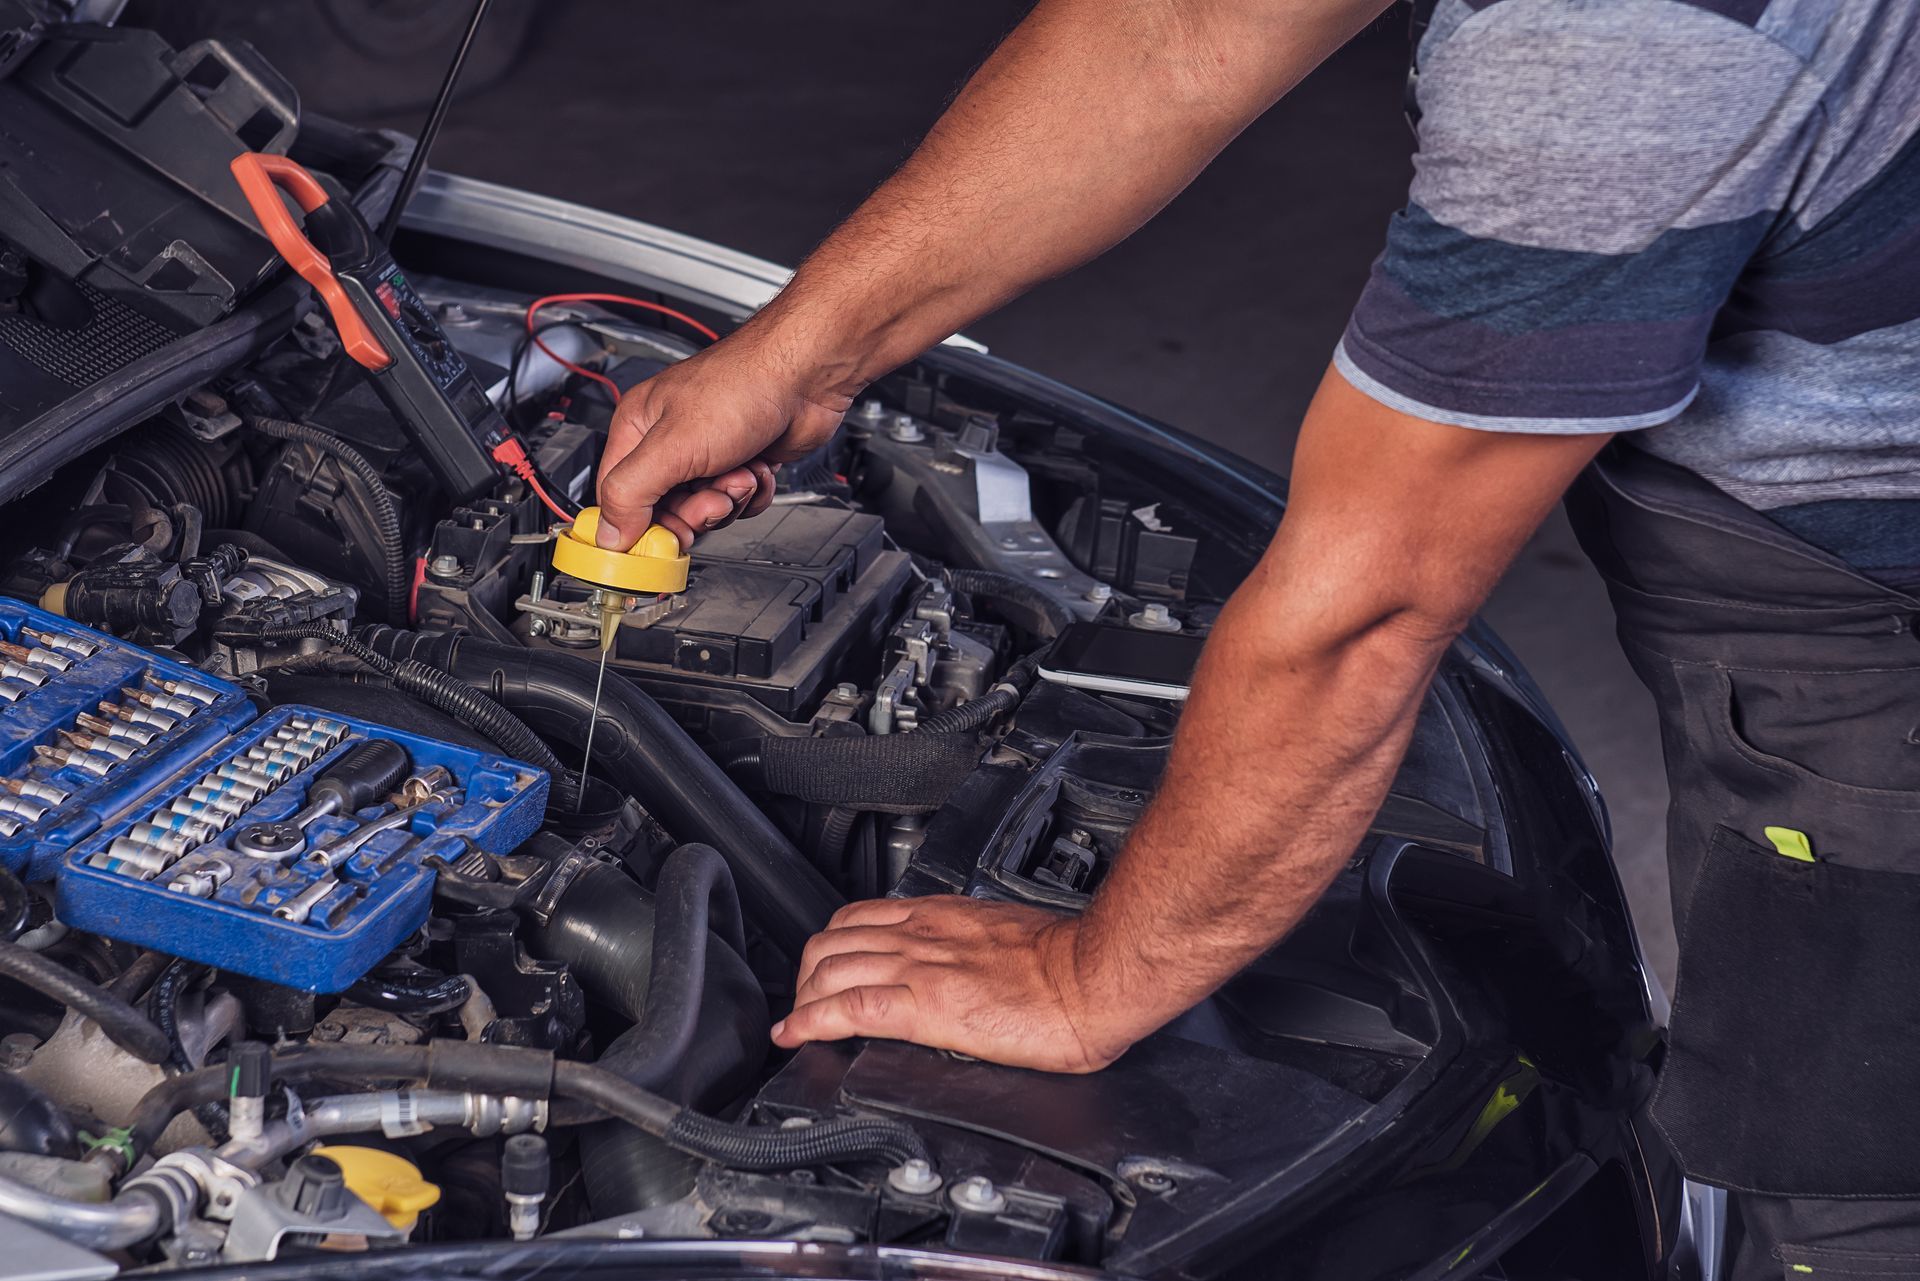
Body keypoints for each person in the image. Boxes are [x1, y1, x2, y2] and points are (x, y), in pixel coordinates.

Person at [594, 0, 1920, 1270]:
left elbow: (1367, 609)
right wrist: (802, 352)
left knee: (1860, 1198)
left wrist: (1085, 980)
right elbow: (1175, 33)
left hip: (1877, 640)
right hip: (1805, 526)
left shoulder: (1620, 49)